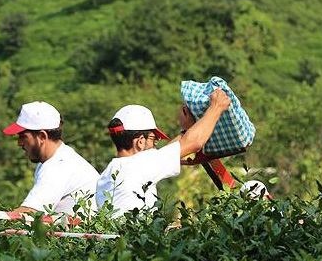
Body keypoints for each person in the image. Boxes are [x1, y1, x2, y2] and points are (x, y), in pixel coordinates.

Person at [96, 89, 230, 216]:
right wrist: (216, 107)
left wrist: (187, 130)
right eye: (154, 140)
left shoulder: (107, 175)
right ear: (140, 142)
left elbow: (165, 152)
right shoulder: (140, 165)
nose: (156, 147)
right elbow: (194, 143)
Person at [3, 101, 99, 215]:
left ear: (42, 136)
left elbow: (29, 214)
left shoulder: (59, 166)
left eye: (23, 136)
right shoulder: (54, 160)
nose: (19, 143)